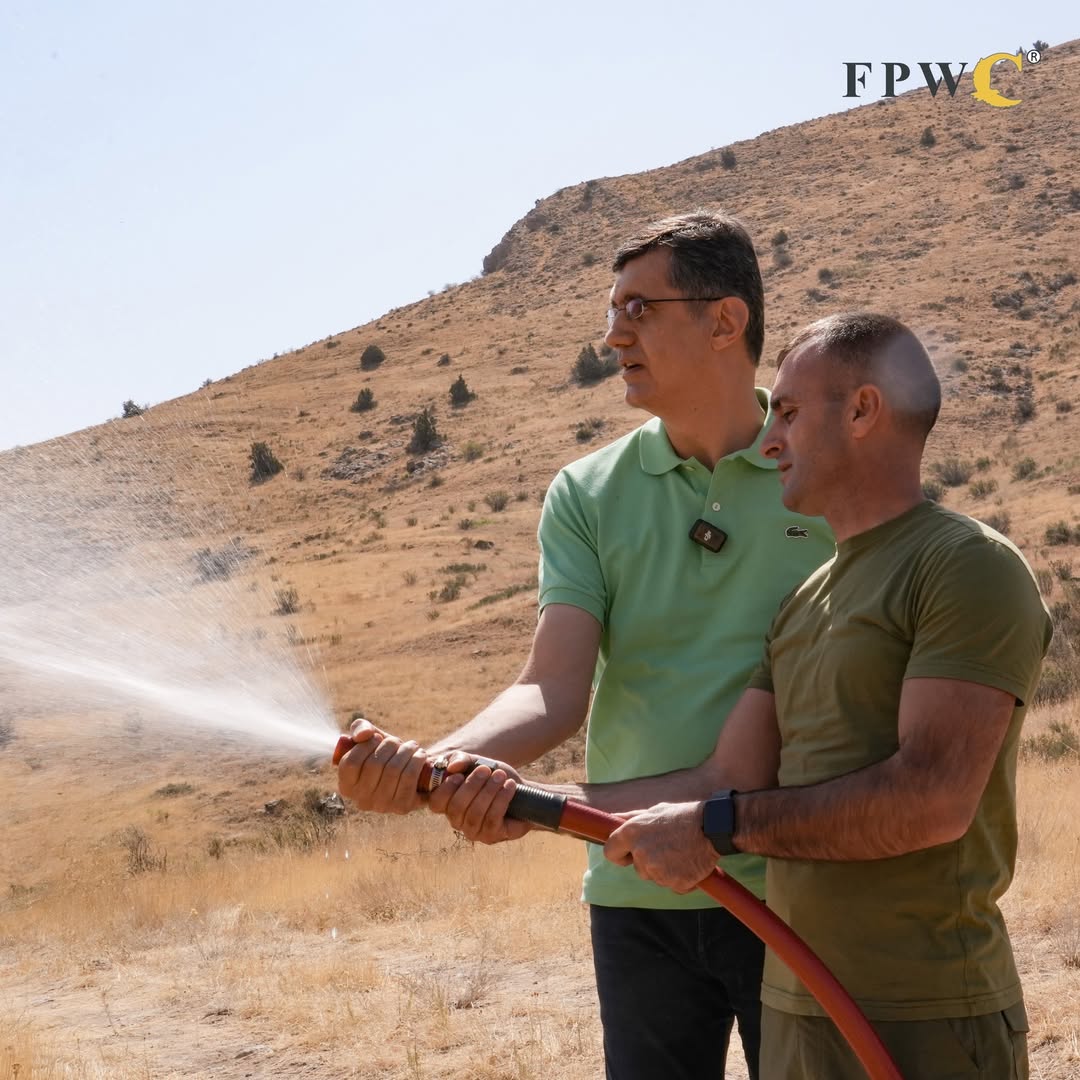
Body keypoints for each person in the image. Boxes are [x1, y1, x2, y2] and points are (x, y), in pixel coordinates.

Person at [337, 211, 834, 1080]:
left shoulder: (823, 476)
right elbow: (551, 689)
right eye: (613, 311)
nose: (613, 336)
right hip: (634, 883)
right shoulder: (586, 492)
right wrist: (432, 766)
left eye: (639, 309)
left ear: (726, 320)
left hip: (798, 882)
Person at [569, 312, 1051, 1079]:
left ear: (862, 411)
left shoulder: (967, 566)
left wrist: (719, 826)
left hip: (927, 1015)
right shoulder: (803, 601)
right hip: (797, 1008)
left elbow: (931, 801)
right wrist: (529, 799)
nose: (769, 442)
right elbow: (722, 779)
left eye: (788, 414)